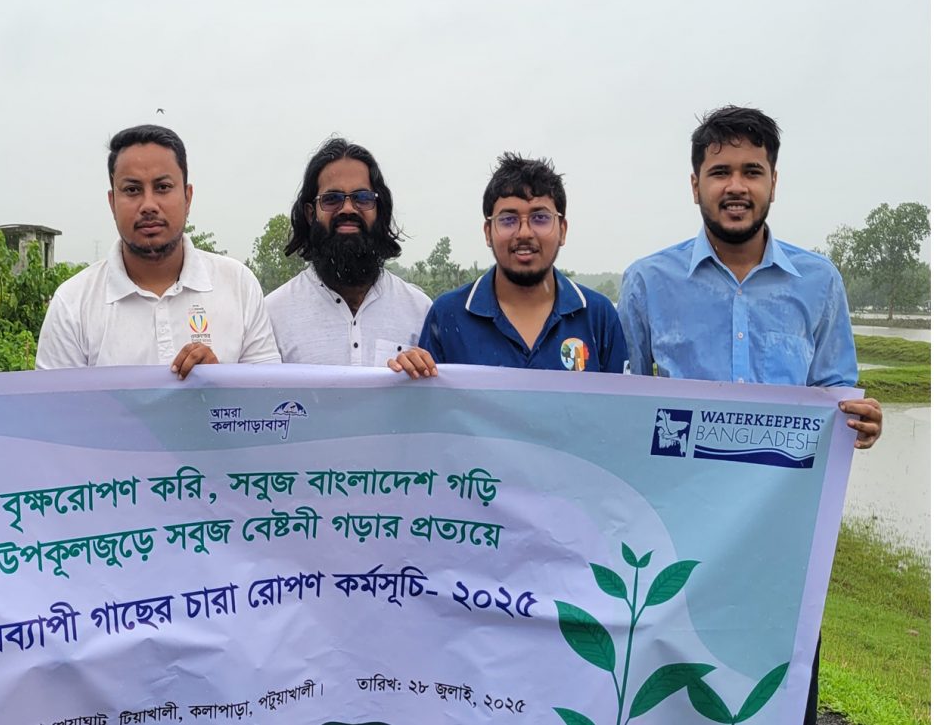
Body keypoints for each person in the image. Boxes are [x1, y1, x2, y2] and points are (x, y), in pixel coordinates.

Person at [617, 105, 879, 725]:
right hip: (676, 528)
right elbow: (618, 398)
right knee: (670, 684)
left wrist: (858, 419)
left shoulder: (818, 283)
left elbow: (837, 387)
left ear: (773, 182)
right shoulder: (648, 282)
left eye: (752, 171)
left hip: (781, 534)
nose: (736, 186)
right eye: (720, 172)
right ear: (695, 184)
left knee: (780, 685)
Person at [35, 125, 282, 374]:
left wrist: (218, 381)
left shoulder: (238, 285)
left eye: (163, 187)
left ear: (188, 197)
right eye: (132, 190)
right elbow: (54, 409)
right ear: (112, 203)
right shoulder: (73, 304)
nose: (149, 205)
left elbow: (270, 399)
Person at [398, 153, 626, 373]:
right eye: (508, 220)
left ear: (562, 230)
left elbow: (620, 407)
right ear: (488, 232)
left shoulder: (598, 316)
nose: (525, 233)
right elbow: (430, 408)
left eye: (540, 218)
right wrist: (411, 376)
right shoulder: (448, 314)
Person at [264, 137, 431, 365]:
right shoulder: (273, 315)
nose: (348, 209)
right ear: (311, 213)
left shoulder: (420, 312)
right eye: (332, 199)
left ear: (379, 210)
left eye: (362, 198)